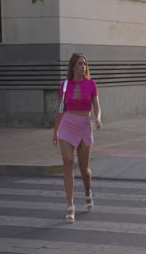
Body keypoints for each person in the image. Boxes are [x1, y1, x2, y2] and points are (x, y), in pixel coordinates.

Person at [53, 53, 102, 223]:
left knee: (84, 169)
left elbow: (97, 107)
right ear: (73, 67)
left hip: (84, 126)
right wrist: (55, 131)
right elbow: (60, 109)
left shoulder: (91, 84)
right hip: (67, 125)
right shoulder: (65, 85)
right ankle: (70, 206)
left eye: (85, 64)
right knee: (67, 163)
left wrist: (98, 118)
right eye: (80, 64)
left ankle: (88, 193)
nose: (84, 67)